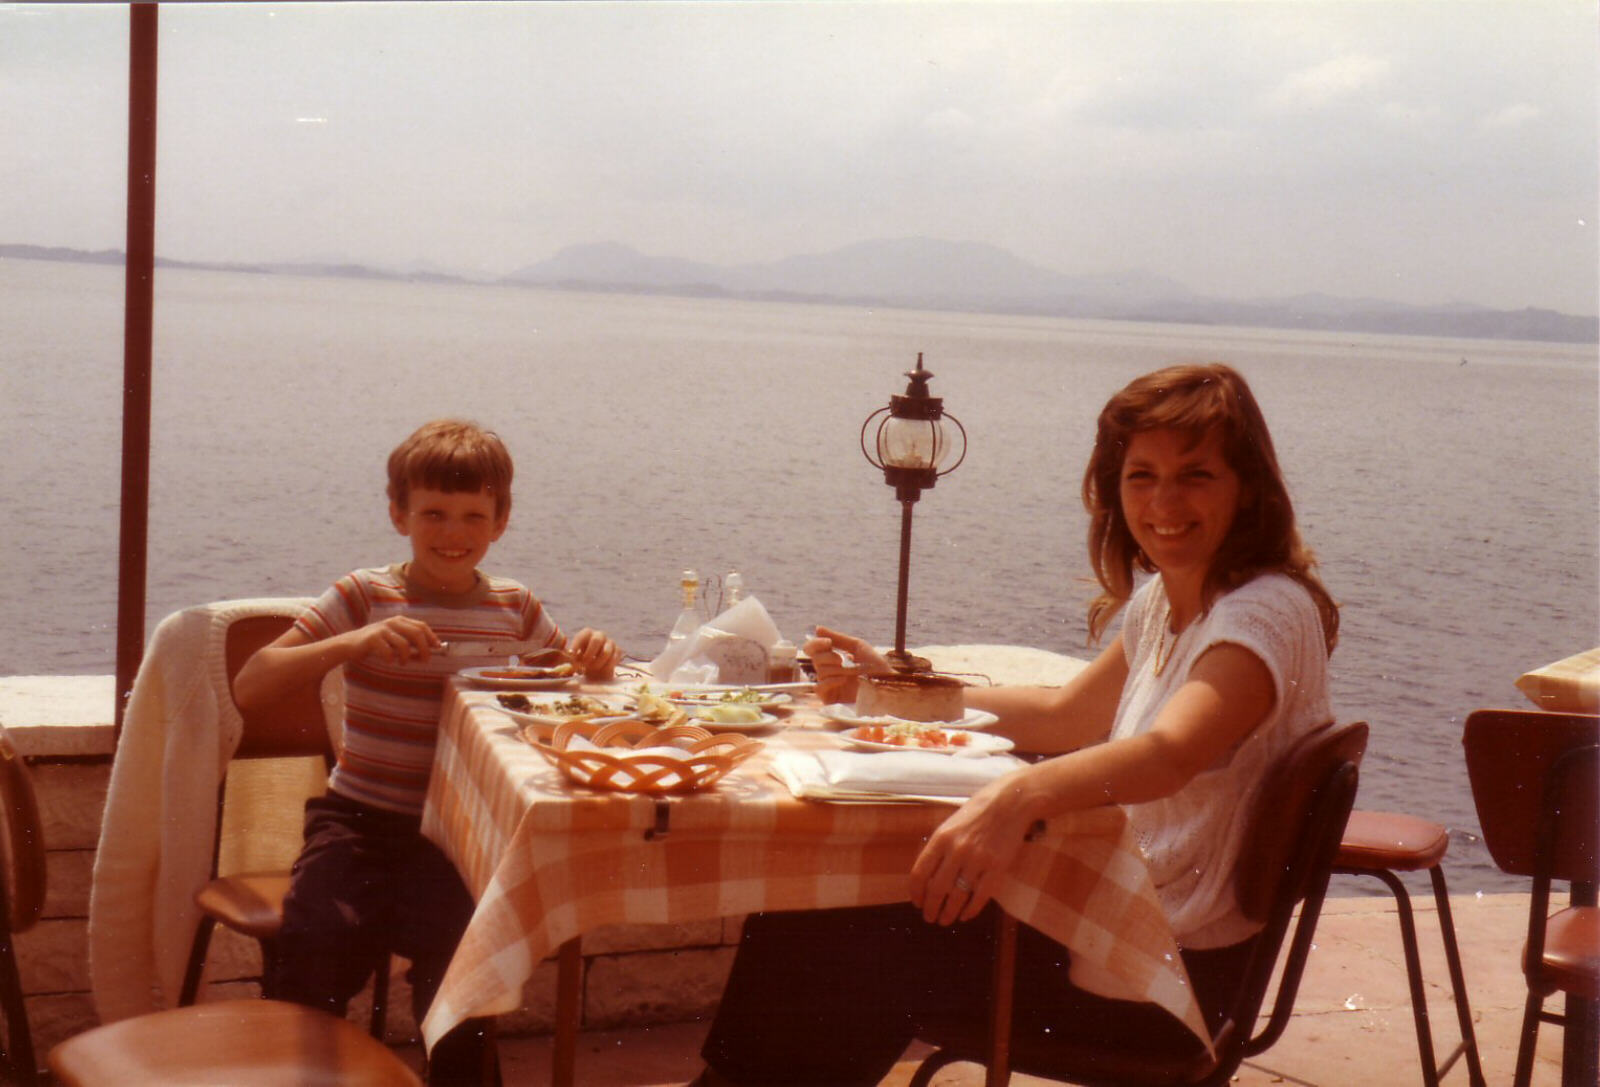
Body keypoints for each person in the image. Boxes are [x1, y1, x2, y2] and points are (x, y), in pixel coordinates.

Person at [694, 363, 1341, 1086]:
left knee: (842, 934)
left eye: (1196, 475)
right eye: (1141, 476)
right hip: (1121, 939)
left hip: (1163, 987)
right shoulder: (1172, 598)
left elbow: (1168, 753)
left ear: (1247, 486)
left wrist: (1015, 798)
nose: (1164, 501)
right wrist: (890, 692)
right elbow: (1067, 716)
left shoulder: (1264, 614)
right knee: (821, 919)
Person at [232, 419, 620, 1086]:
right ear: (398, 514)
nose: (452, 532)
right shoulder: (365, 595)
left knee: (465, 967)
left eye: (473, 515)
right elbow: (252, 682)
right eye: (433, 513)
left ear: (500, 522)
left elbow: (577, 695)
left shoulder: (516, 609)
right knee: (315, 939)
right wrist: (350, 644)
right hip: (356, 821)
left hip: (455, 837)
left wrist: (597, 662)